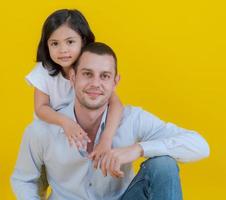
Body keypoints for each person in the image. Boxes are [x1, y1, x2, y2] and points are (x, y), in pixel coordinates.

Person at [11, 42, 210, 200]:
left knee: (163, 166)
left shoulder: (132, 119)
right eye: (87, 74)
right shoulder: (42, 130)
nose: (95, 83)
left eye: (104, 76)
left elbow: (200, 146)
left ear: (115, 82)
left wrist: (137, 149)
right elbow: (24, 180)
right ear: (72, 77)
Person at [26, 9, 124, 198]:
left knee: (78, 186)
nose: (63, 50)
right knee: (35, 185)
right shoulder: (44, 71)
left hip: (80, 144)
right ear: (46, 46)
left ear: (84, 42)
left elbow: (116, 105)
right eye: (55, 43)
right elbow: (41, 108)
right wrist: (66, 123)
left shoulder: (90, 69)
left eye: (70, 42)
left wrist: (106, 139)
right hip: (50, 141)